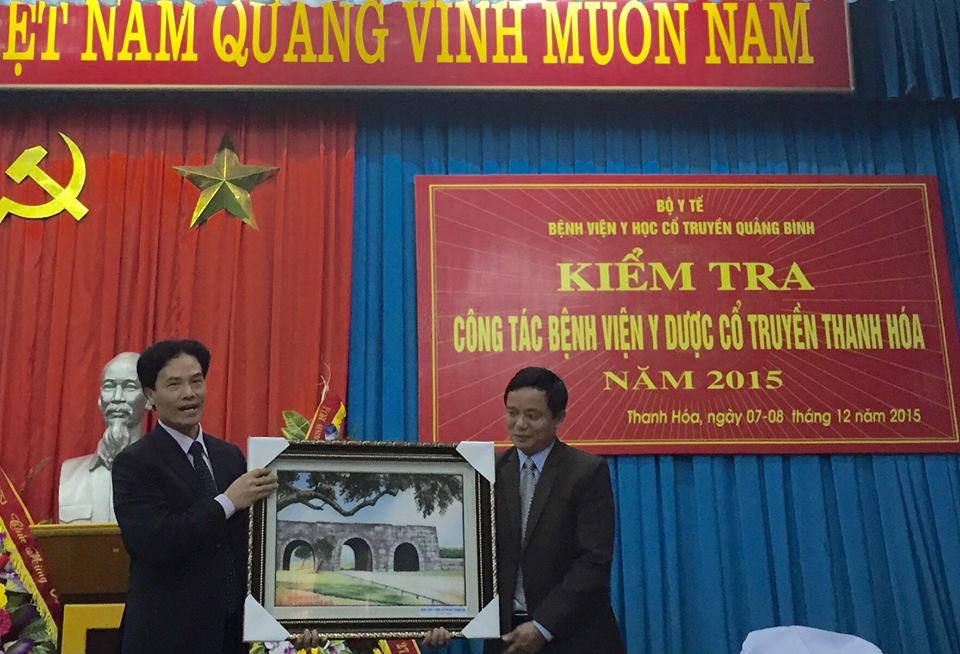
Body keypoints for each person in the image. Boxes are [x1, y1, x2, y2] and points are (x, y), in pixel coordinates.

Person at [112, 339, 320, 654]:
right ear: (150, 395)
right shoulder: (135, 463)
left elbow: (256, 547)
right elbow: (155, 541)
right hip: (166, 639)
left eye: (197, 381)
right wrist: (227, 502)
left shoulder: (229, 456)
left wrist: (292, 618)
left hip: (230, 638)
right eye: (174, 384)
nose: (189, 393)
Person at [423, 367, 625, 654]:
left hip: (573, 636)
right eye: (512, 413)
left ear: (559, 417)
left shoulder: (586, 472)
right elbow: (470, 552)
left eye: (532, 416)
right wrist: (443, 616)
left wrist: (543, 626)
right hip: (507, 639)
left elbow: (593, 561)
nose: (519, 425)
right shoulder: (483, 472)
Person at [59, 351, 147, 523]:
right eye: (109, 386)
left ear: (150, 399)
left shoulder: (168, 475)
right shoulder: (71, 475)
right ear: (100, 399)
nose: (117, 398)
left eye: (129, 386)